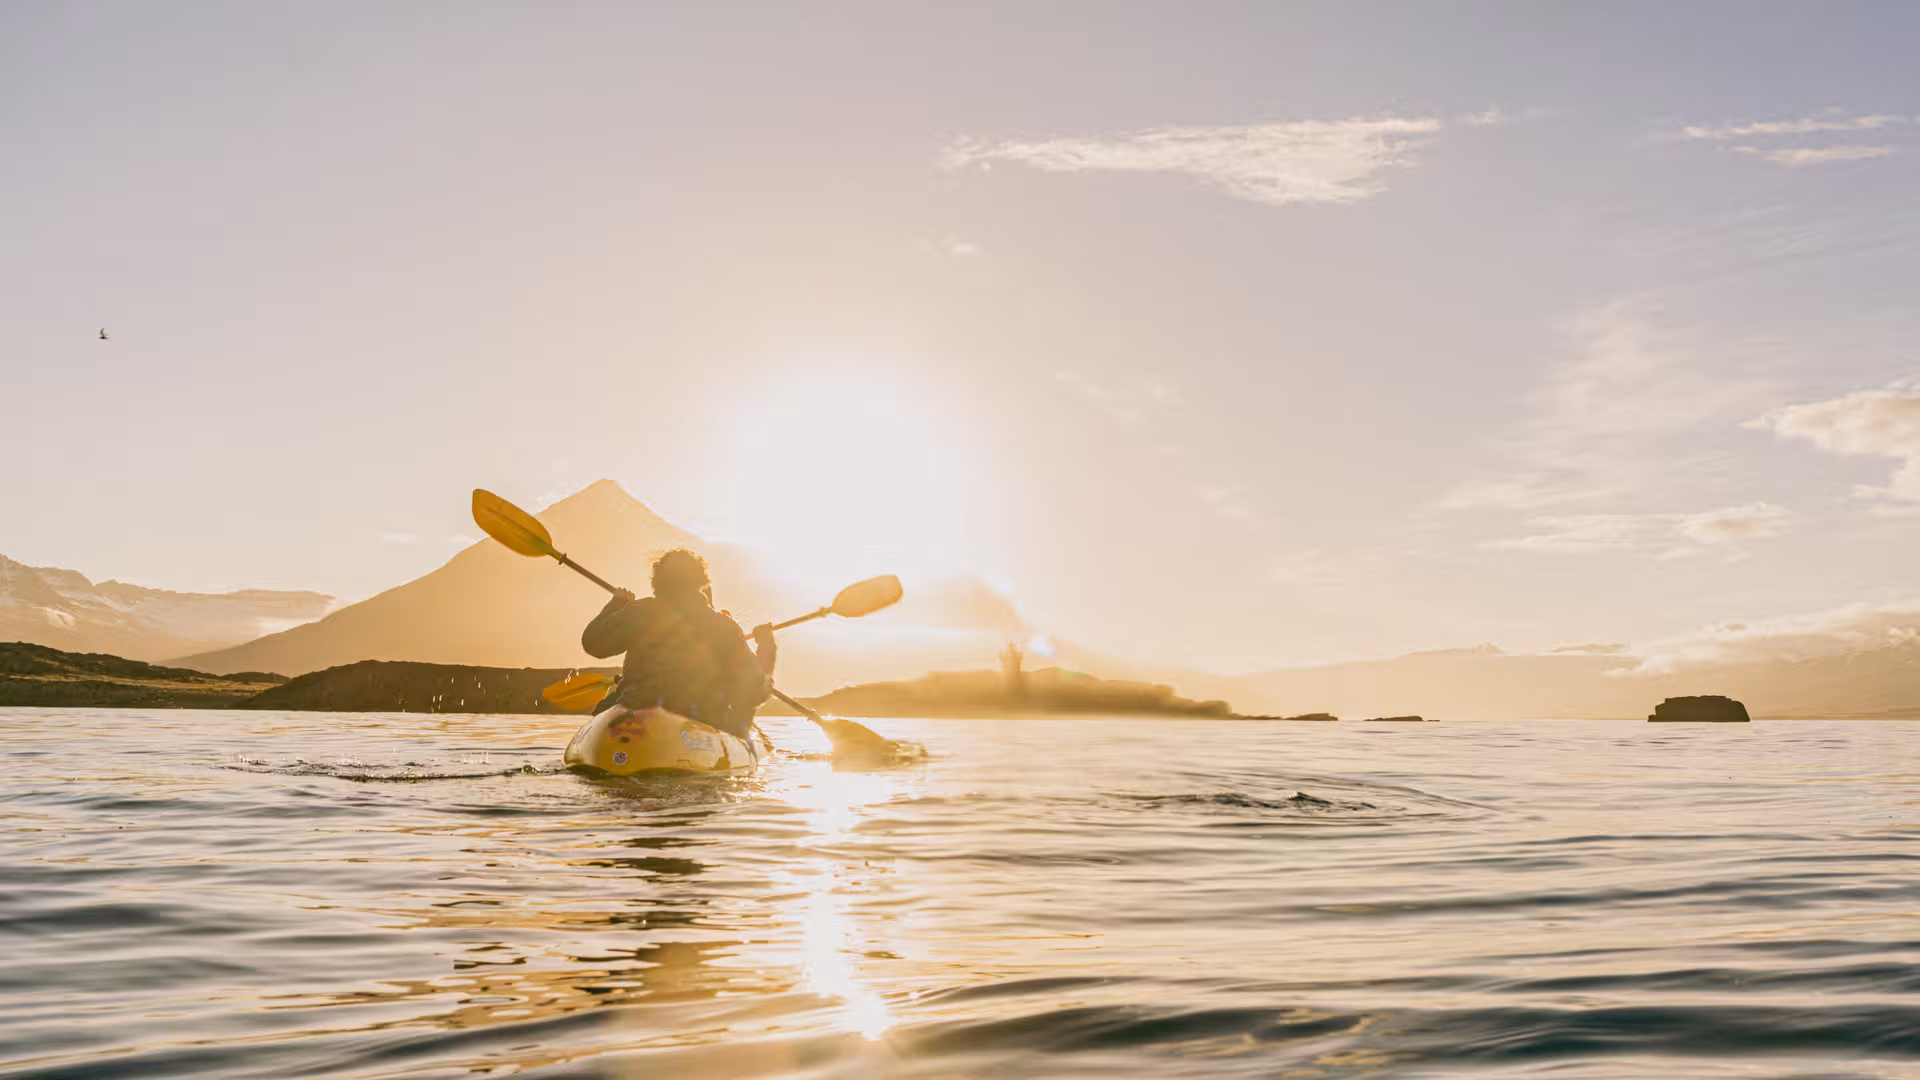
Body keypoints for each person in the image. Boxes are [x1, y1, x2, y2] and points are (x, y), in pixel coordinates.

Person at [580, 549, 775, 739]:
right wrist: (766, 648)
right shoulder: (724, 627)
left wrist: (617, 604)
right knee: (741, 708)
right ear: (700, 581)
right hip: (701, 721)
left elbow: (593, 643)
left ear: (657, 581)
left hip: (635, 713)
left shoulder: (639, 612)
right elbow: (753, 693)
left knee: (608, 705)